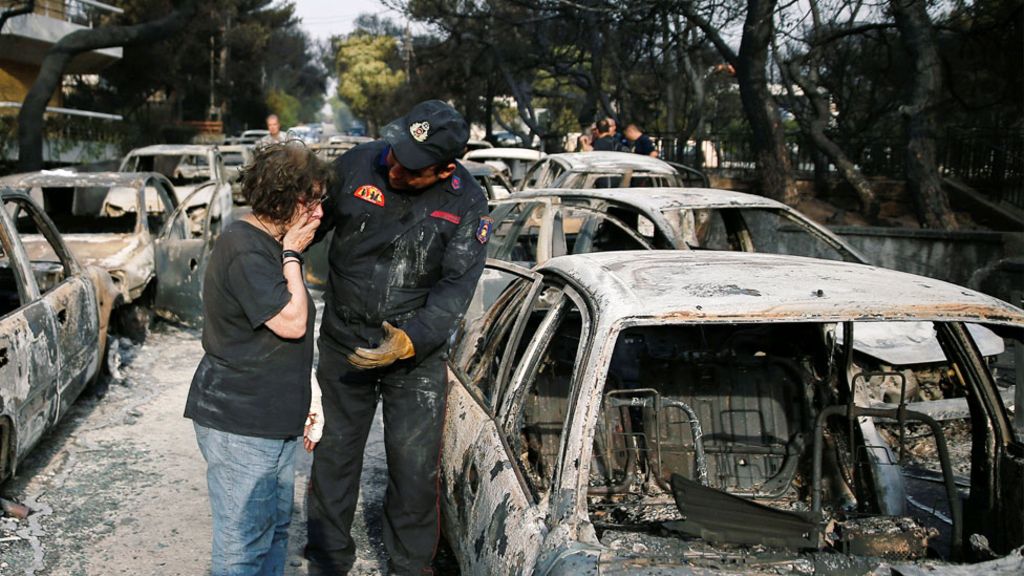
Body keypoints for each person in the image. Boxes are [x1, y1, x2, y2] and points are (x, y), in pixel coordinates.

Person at [306, 100, 489, 576]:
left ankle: (409, 566)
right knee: (334, 456)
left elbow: (455, 290)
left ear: (444, 168)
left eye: (408, 165)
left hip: (414, 357)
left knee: (412, 469)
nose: (393, 164)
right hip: (345, 340)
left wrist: (411, 341)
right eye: (394, 150)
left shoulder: (467, 202)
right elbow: (309, 226)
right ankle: (328, 559)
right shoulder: (357, 164)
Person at [184, 142, 330, 575]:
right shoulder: (247, 248)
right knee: (242, 546)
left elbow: (289, 346)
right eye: (313, 201)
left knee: (274, 532)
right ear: (283, 199)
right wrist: (292, 255)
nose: (320, 213)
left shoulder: (266, 241)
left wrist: (309, 395)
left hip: (272, 419)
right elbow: (292, 323)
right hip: (241, 423)